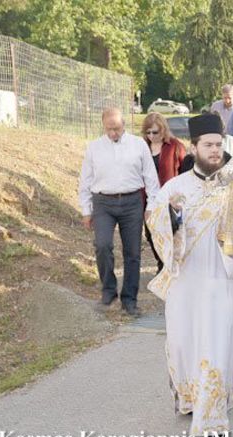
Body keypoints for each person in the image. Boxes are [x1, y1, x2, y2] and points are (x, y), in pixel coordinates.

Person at [145, 113, 233, 437]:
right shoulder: (175, 188)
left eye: (218, 145)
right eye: (208, 145)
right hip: (186, 281)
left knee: (214, 344)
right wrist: (172, 217)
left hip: (222, 280)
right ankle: (190, 397)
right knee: (182, 343)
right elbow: (156, 225)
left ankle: (209, 420)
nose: (215, 151)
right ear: (193, 147)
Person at [78, 108, 160, 316]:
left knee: (132, 252)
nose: (113, 133)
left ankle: (129, 300)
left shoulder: (139, 145)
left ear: (124, 124)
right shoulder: (94, 148)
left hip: (132, 201)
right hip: (103, 203)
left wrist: (151, 207)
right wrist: (86, 211)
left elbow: (151, 178)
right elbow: (85, 181)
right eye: (109, 129)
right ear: (103, 126)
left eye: (116, 128)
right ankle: (108, 290)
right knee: (103, 245)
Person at [142, 112, 187, 273]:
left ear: (163, 130)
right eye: (148, 132)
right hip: (146, 198)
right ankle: (161, 262)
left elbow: (185, 169)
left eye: (155, 132)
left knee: (169, 231)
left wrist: (180, 194)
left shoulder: (174, 146)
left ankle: (168, 265)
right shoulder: (142, 147)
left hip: (169, 198)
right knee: (150, 233)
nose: (152, 136)